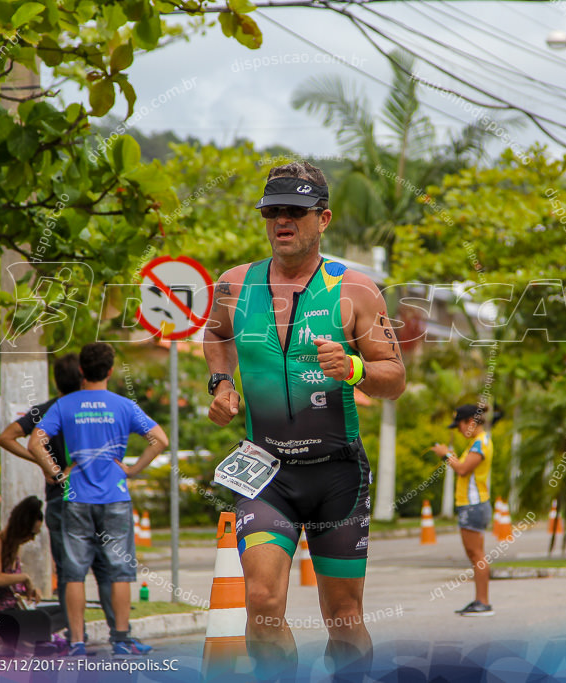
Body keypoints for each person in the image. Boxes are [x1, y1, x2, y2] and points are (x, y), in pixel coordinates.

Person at [203, 161, 406, 679]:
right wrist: (220, 384)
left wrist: (354, 366)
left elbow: (394, 375)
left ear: (324, 218)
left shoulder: (355, 289)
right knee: (263, 606)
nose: (282, 221)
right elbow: (215, 335)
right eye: (273, 211)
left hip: (337, 474)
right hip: (267, 474)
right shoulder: (233, 284)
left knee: (343, 618)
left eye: (296, 211)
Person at [29, 342, 168, 658]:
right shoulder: (124, 406)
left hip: (75, 496)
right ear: (109, 371)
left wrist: (56, 472)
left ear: (81, 370)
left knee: (74, 573)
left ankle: (77, 642)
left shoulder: (65, 405)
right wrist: (132, 469)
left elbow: (35, 442)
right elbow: (160, 440)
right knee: (120, 571)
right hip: (116, 497)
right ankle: (121, 639)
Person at [0, 354, 116, 637]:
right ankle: (118, 630)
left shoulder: (45, 411)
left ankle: (76, 634)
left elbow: (5, 437)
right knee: (104, 569)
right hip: (98, 498)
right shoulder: (95, 410)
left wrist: (42, 462)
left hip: (59, 498)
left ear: (55, 380)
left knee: (67, 571)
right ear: (83, 376)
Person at [0, 496, 67, 654]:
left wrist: (27, 591)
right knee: (41, 618)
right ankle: (39, 641)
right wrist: (24, 578)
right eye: (31, 534)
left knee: (64, 611)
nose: (31, 539)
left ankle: (38, 638)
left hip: (11, 610)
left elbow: (9, 586)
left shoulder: (13, 549)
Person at [433, 404, 495, 616]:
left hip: (474, 504)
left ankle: (483, 602)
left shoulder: (479, 444)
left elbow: (462, 469)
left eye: (459, 424)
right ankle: (480, 600)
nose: (459, 430)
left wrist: (444, 455)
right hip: (474, 504)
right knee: (475, 554)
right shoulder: (477, 443)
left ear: (470, 422)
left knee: (477, 554)